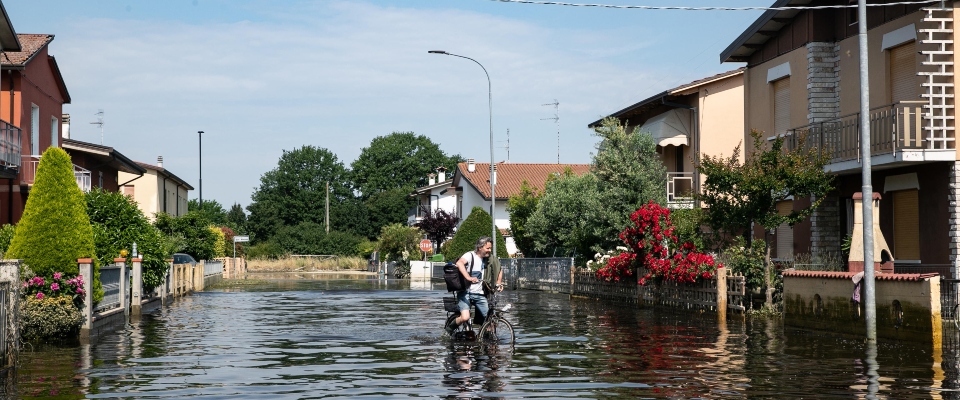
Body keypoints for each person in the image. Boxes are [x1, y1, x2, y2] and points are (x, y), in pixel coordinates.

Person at [446, 236, 503, 335]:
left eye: (490, 248)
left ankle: (486, 338)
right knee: (465, 317)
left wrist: (498, 283)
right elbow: (459, 263)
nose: (489, 251)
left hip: (479, 294)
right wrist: (468, 277)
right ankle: (449, 329)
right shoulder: (470, 255)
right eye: (488, 248)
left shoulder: (488, 259)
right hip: (465, 293)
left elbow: (499, 267)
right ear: (480, 247)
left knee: (491, 319)